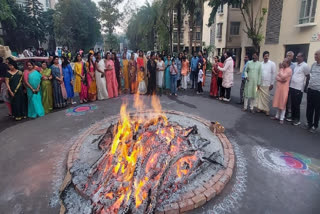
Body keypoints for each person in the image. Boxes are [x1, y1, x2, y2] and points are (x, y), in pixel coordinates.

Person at [289, 52, 310, 126]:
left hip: (298, 88)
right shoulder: (295, 64)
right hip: (292, 86)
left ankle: (297, 120)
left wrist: (306, 87)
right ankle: (292, 117)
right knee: (292, 103)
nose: (296, 57)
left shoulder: (305, 66)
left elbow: (308, 76)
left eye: (298, 56)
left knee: (297, 104)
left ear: (302, 57)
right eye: (296, 56)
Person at [271, 58, 293, 124]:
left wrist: (280, 70)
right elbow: (277, 77)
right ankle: (277, 116)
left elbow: (283, 76)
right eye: (283, 61)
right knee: (278, 102)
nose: (283, 62)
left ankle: (282, 118)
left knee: (283, 103)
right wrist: (281, 79)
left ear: (288, 63)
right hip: (279, 87)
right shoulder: (282, 69)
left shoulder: (289, 70)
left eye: (284, 62)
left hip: (284, 89)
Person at [256, 51, 276, 116]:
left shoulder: (272, 64)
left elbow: (273, 74)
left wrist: (272, 83)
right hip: (261, 83)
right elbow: (258, 74)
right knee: (260, 96)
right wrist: (258, 83)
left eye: (267, 56)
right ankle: (260, 108)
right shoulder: (260, 64)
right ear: (263, 56)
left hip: (268, 83)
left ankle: (266, 110)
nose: (266, 57)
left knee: (266, 97)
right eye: (265, 56)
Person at [305, 49, 320, 133]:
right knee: (309, 107)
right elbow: (310, 76)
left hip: (318, 91)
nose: (315, 56)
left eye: (316, 54)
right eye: (315, 54)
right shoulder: (313, 65)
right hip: (311, 89)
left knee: (317, 109)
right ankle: (309, 123)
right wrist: (307, 86)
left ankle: (315, 125)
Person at [285, 51, 296, 121]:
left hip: (290, 85)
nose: (288, 57)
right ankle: (283, 112)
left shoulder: (294, 66)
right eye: (287, 55)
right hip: (283, 85)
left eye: (290, 56)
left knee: (289, 100)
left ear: (292, 57)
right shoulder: (284, 64)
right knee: (284, 99)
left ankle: (289, 112)